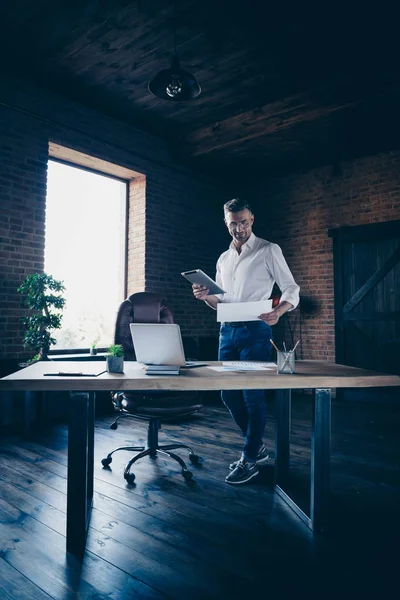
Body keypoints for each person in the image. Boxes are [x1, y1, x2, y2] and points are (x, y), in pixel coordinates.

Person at [192, 198, 300, 485]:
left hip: (256, 330)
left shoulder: (268, 250)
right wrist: (206, 296)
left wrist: (279, 311)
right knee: (228, 394)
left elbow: (291, 288)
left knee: (252, 395)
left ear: (252, 219)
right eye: (233, 224)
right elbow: (220, 302)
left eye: (243, 222)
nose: (239, 228)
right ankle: (258, 448)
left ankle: (250, 457)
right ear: (226, 224)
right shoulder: (223, 259)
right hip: (227, 330)